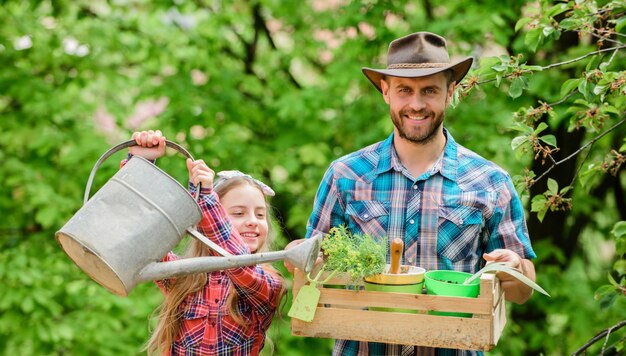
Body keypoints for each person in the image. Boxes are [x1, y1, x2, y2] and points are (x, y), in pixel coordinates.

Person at [286, 32, 537, 355]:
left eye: (429, 90)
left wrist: (514, 266)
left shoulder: (490, 182)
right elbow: (313, 262)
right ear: (386, 92)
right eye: (405, 90)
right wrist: (303, 255)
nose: (416, 104)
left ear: (450, 93)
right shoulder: (345, 175)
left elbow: (522, 291)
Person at [125, 130, 285, 356]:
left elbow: (237, 261)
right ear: (207, 220)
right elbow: (146, 231)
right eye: (238, 213)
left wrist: (206, 198)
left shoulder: (268, 284)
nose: (252, 221)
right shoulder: (185, 277)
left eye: (260, 215)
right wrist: (140, 166)